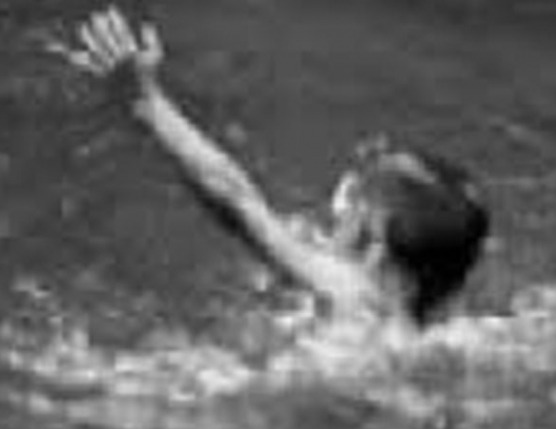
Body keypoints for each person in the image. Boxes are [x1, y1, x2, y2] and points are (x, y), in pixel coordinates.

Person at [52, 6, 489, 335]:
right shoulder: (435, 327)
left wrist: (148, 104)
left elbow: (236, 200)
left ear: (374, 245)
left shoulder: (352, 296)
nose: (342, 200)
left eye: (355, 202)